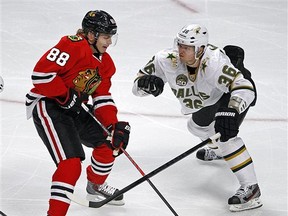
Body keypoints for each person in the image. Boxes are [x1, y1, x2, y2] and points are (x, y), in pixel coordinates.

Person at [132, 24, 262, 212]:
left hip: (231, 94)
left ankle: (251, 188)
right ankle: (219, 151)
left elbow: (244, 87)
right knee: (197, 127)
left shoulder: (214, 62)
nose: (181, 50)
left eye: (187, 47)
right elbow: (137, 87)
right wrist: (145, 85)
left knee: (224, 134)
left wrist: (232, 110)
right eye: (180, 44)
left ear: (201, 49)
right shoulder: (166, 59)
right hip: (208, 99)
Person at [25, 10, 130, 216]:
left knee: (108, 145)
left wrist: (113, 126)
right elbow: (41, 75)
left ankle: (95, 186)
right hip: (49, 103)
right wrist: (64, 95)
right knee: (71, 164)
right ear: (91, 34)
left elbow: (101, 97)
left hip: (74, 106)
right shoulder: (72, 45)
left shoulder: (106, 64)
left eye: (111, 37)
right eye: (106, 36)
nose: (109, 42)